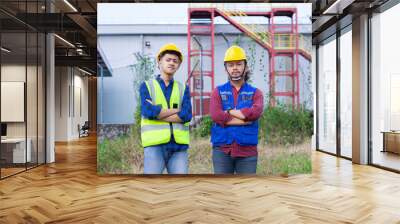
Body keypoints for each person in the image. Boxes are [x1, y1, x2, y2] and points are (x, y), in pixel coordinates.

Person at [210, 45, 264, 174]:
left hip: (247, 152)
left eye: (239, 64)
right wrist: (244, 119)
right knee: (222, 190)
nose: (235, 68)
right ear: (226, 68)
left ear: (245, 67)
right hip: (222, 150)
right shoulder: (217, 92)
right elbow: (216, 116)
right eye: (230, 65)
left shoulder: (256, 93)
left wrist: (228, 112)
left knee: (246, 190)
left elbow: (254, 114)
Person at [140, 43, 192, 174]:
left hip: (178, 147)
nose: (172, 63)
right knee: (152, 188)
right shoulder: (146, 86)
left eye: (175, 61)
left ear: (179, 65)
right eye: (168, 60)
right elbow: (148, 111)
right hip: (154, 146)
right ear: (159, 62)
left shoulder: (183, 88)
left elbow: (186, 115)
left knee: (180, 188)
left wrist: (159, 112)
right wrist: (176, 110)